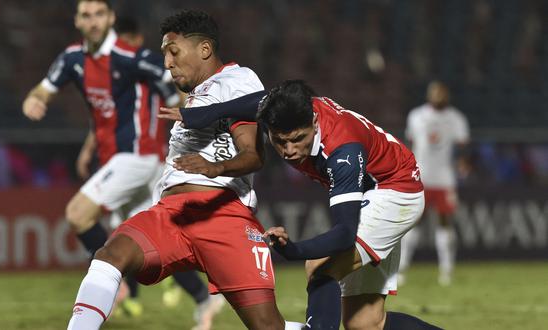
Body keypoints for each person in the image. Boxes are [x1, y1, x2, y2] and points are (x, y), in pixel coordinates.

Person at [66, 10, 303, 330]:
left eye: (173, 52)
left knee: (268, 326)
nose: (167, 62)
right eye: (164, 54)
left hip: (223, 216)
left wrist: (214, 167)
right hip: (171, 215)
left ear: (204, 49)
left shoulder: (236, 80)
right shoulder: (193, 98)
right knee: (110, 255)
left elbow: (254, 156)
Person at [159, 80, 442, 329]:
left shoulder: (342, 150)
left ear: (315, 123)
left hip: (395, 191)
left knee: (320, 265)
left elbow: (344, 234)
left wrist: (293, 250)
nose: (290, 150)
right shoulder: (289, 109)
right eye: (280, 141)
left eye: (298, 139)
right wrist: (192, 115)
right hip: (378, 189)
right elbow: (250, 103)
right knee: (365, 323)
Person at [22, 1, 222, 328]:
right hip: (121, 160)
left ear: (111, 17)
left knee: (77, 213)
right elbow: (44, 89)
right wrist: (35, 99)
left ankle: (118, 285)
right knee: (147, 246)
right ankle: (204, 298)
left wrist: (195, 119)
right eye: (86, 15)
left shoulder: (130, 57)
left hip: (138, 156)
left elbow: (176, 85)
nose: (94, 21)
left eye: (100, 14)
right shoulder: (72, 60)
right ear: (77, 20)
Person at [400, 81, 470, 286]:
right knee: (414, 222)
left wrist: (463, 164)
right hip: (420, 177)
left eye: (442, 92)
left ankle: (446, 271)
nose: (439, 96)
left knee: (445, 221)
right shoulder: (416, 116)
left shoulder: (456, 118)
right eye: (435, 92)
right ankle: (402, 269)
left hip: (444, 178)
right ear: (429, 94)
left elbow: (463, 147)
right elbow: (410, 144)